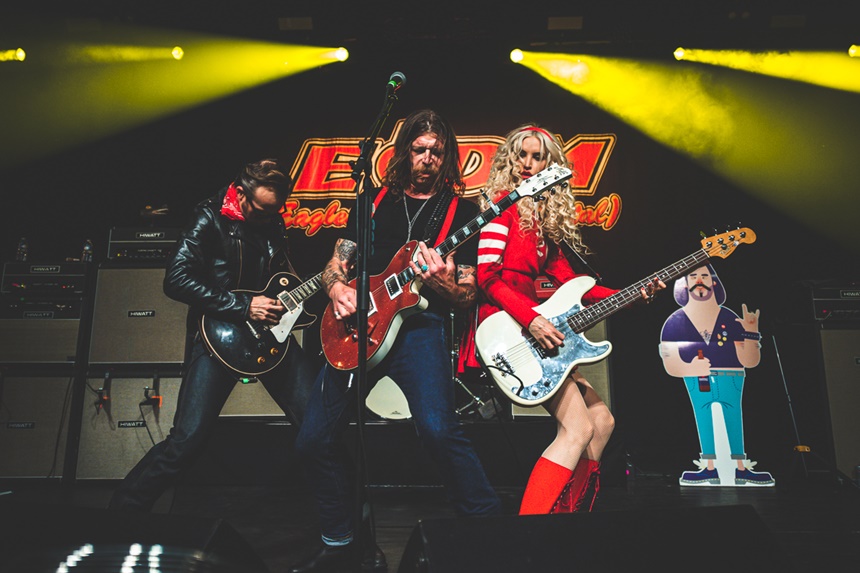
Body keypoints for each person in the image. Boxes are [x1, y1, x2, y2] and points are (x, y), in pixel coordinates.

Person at [289, 109, 501, 573]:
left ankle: (489, 530)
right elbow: (334, 265)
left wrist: (441, 283)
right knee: (313, 439)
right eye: (419, 149)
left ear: (448, 160)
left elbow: (466, 295)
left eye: (436, 152)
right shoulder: (372, 202)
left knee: (439, 431)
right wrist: (335, 289)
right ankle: (342, 541)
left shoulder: (461, 213)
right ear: (404, 152)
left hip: (419, 329)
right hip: (357, 329)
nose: (427, 159)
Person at [472, 124, 664, 515]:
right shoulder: (500, 206)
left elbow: (575, 286)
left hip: (539, 331)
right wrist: (531, 321)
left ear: (549, 163)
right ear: (510, 160)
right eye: (521, 155)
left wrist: (632, 297)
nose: (527, 164)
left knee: (602, 421)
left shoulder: (542, 221)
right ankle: (534, 531)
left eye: (537, 156)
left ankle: (567, 519)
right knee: (578, 429)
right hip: (510, 330)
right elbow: (486, 276)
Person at [108, 159, 318, 511]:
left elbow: (278, 275)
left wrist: (293, 298)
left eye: (275, 211)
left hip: (269, 339)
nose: (269, 218)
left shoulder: (272, 221)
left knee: (318, 427)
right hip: (218, 336)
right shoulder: (207, 217)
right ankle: (121, 514)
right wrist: (243, 306)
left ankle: (348, 525)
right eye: (263, 211)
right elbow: (175, 280)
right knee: (186, 442)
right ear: (240, 193)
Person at [659, 264, 774, 486]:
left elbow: (749, 361)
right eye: (693, 276)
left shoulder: (730, 318)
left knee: (734, 416)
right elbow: (670, 363)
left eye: (704, 275)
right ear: (685, 283)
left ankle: (741, 468)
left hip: (731, 376)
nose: (699, 280)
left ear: (714, 281)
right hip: (696, 380)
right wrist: (691, 367)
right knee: (702, 416)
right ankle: (708, 468)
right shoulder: (674, 322)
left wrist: (751, 332)